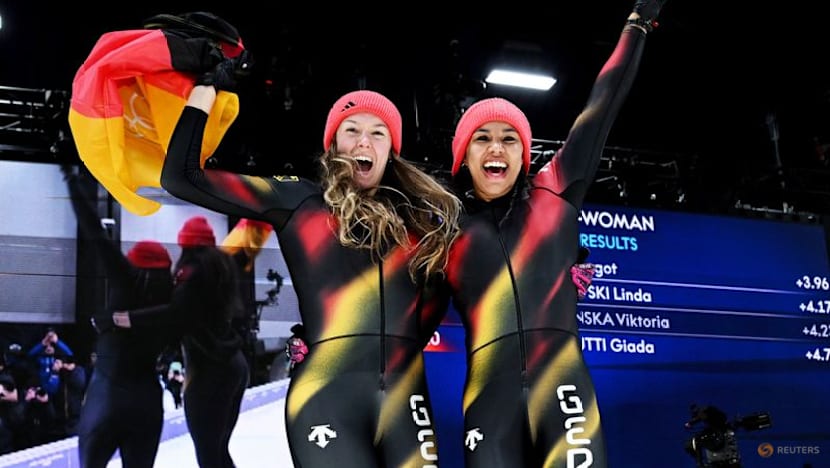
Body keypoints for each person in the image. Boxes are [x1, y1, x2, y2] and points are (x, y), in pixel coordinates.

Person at [159, 70, 462, 465]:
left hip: (405, 400)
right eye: (351, 129)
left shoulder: (421, 223)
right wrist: (204, 89)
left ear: (391, 150)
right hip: (325, 398)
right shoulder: (299, 200)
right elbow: (180, 177)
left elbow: (432, 307)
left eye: (378, 132)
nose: (364, 142)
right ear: (333, 142)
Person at [445, 1, 667, 466]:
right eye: (482, 138)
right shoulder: (445, 228)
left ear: (525, 155)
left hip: (563, 388)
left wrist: (638, 21)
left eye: (510, 138)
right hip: (489, 401)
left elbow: (602, 103)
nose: (496, 148)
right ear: (463, 156)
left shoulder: (556, 188)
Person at [112, 215, 249, 468]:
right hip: (234, 365)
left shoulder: (191, 274)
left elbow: (175, 314)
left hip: (209, 371)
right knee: (218, 451)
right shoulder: (220, 269)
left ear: (185, 246)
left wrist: (129, 318)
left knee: (209, 453)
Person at [64, 165, 176, 468]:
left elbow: (94, 232)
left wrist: (71, 180)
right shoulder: (173, 301)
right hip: (147, 401)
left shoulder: (125, 278)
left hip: (107, 396)